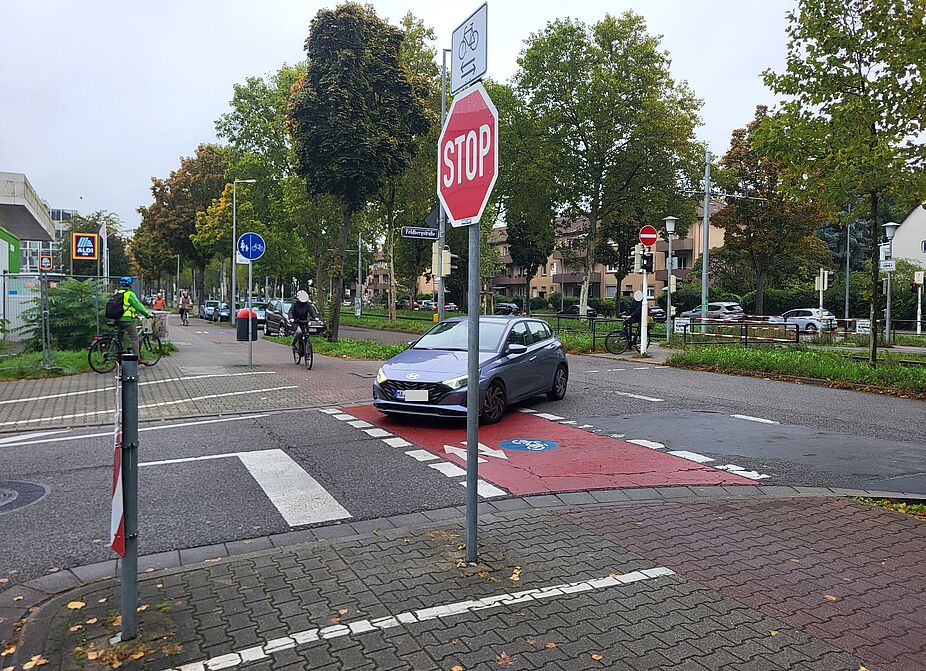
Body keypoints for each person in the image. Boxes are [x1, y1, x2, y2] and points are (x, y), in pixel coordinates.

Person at [114, 277, 151, 357]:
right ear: (130, 284)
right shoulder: (129, 294)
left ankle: (119, 358)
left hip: (117, 319)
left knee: (119, 339)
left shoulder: (118, 293)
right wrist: (147, 314)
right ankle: (136, 359)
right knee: (134, 338)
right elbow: (138, 306)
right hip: (127, 320)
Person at [288, 290, 315, 355]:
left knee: (306, 333)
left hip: (304, 321)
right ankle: (294, 344)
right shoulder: (295, 304)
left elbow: (312, 311)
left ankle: (305, 346)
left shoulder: (307, 305)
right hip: (296, 321)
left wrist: (315, 317)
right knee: (299, 332)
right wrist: (291, 318)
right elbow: (291, 311)